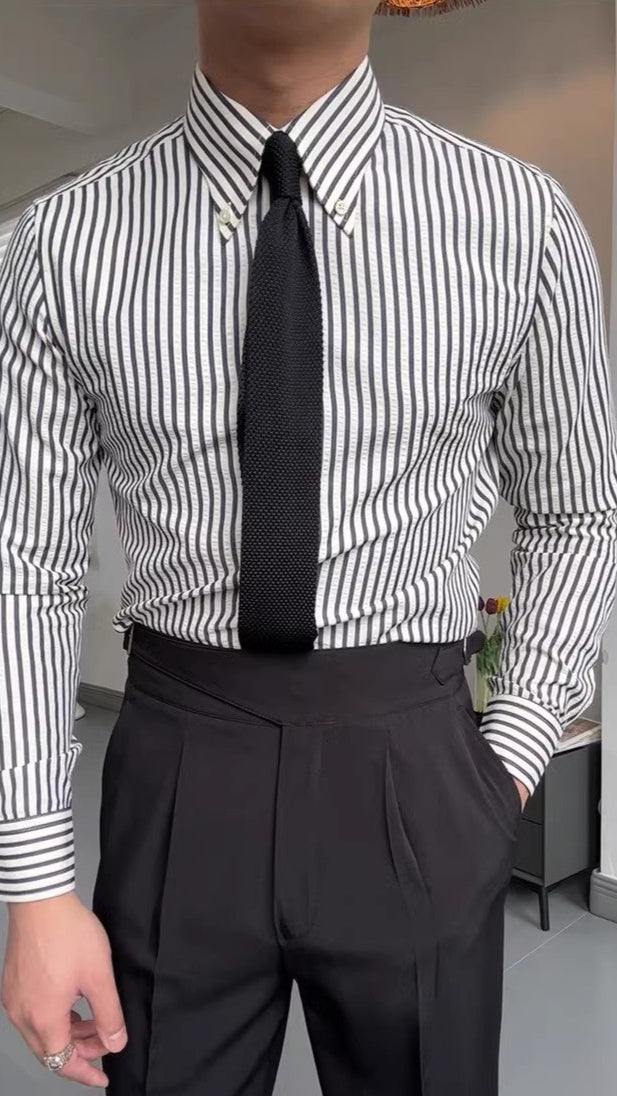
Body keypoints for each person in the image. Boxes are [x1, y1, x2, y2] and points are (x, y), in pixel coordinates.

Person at [1, 1, 616, 1093]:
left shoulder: (519, 223)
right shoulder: (57, 246)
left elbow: (575, 512)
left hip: (418, 768)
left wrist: (510, 755)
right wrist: (36, 883)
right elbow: (27, 567)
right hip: (180, 765)